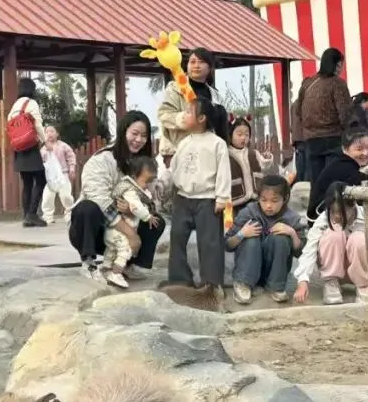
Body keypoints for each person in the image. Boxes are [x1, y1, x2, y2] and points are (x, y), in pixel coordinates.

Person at [69, 111, 167, 280]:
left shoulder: (144, 165)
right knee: (87, 208)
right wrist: (131, 234)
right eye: (134, 133)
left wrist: (133, 209)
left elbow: (152, 201)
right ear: (123, 132)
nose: (139, 139)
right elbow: (100, 201)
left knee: (156, 221)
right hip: (97, 231)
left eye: (144, 136)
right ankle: (89, 263)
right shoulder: (101, 160)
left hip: (125, 226)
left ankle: (129, 264)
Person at [168, 98, 231, 298]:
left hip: (208, 199)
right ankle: (179, 280)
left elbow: (224, 172)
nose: (184, 115)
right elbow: (174, 168)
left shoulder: (217, 143)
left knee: (210, 243)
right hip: (183, 198)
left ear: (202, 118)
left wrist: (222, 197)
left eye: (189, 112)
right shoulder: (184, 142)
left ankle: (211, 284)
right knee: (177, 237)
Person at [227, 175, 305, 304]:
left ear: (285, 199)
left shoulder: (291, 218)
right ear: (258, 198)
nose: (268, 205)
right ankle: (243, 284)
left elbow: (301, 253)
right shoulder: (248, 212)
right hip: (248, 270)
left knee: (281, 238)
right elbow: (227, 245)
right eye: (264, 200)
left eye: (274, 201)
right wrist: (241, 234)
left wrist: (292, 233)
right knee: (251, 238)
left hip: (273, 273)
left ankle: (275, 287)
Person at [294, 181, 368, 306]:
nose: (336, 216)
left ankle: (363, 286)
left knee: (359, 238)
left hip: (362, 271)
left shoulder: (367, 216)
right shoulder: (323, 219)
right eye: (333, 211)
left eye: (341, 211)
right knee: (334, 232)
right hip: (335, 270)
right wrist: (303, 280)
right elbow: (310, 249)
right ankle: (331, 282)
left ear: (352, 205)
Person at [292, 47, 353, 188]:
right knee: (333, 181)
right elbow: (345, 113)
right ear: (338, 64)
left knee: (316, 182)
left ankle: (315, 202)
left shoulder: (307, 83)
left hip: (311, 139)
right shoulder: (337, 83)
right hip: (333, 138)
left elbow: (298, 110)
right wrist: (348, 131)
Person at [156, 47, 227, 163]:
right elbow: (163, 115)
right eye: (192, 62)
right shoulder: (175, 88)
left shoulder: (216, 96)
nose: (196, 66)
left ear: (209, 67)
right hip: (177, 153)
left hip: (206, 155)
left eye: (201, 62)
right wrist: (187, 118)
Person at [102, 156, 162, 289]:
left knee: (112, 250)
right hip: (120, 230)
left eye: (151, 181)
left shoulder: (130, 187)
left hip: (113, 230)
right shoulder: (130, 190)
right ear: (134, 177)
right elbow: (136, 207)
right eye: (146, 181)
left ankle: (106, 269)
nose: (148, 185)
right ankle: (116, 273)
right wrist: (148, 217)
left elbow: (147, 204)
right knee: (125, 249)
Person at [307, 128, 368, 221]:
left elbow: (362, 177)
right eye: (359, 149)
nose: (365, 153)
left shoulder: (341, 161)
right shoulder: (345, 167)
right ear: (344, 149)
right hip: (323, 218)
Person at [8, 77, 48, 227]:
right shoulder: (31, 103)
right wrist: (45, 141)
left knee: (27, 183)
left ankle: (26, 216)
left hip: (19, 147)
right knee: (41, 179)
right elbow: (37, 124)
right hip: (30, 146)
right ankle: (32, 214)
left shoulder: (15, 106)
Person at [228, 116, 267, 211]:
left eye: (247, 134)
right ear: (230, 134)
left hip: (254, 198)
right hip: (234, 201)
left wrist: (267, 158)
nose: (243, 138)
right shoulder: (225, 154)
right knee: (233, 220)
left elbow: (264, 165)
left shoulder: (253, 153)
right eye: (239, 134)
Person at [40, 125, 77, 223]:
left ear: (57, 134)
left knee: (66, 196)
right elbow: (41, 162)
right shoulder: (43, 149)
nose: (49, 134)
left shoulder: (63, 146)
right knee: (47, 197)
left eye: (52, 131)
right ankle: (48, 216)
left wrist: (72, 169)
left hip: (63, 174)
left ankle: (70, 213)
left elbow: (71, 157)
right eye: (47, 132)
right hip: (50, 177)